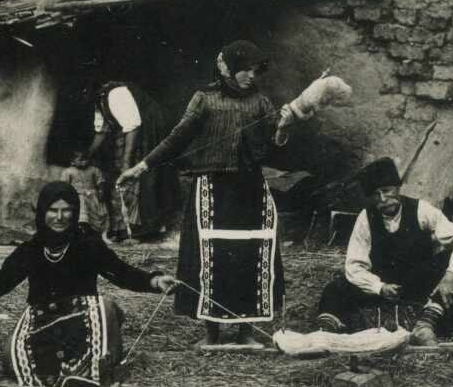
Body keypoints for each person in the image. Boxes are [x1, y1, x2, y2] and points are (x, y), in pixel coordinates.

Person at [118, 40, 297, 348]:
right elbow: (176, 138)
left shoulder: (261, 102)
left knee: (251, 255)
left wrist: (283, 129)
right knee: (210, 258)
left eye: (255, 71)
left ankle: (246, 332)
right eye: (245, 71)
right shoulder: (204, 99)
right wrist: (141, 167)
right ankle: (211, 332)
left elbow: (275, 140)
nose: (251, 77)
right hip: (212, 190)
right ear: (228, 68)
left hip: (251, 189)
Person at [0, 181, 176, 387]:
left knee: (105, 307)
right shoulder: (29, 251)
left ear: (74, 212)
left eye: (66, 211)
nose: (59, 218)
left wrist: (154, 281)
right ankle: (74, 372)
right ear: (42, 212)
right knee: (12, 360)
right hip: (43, 319)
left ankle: (90, 371)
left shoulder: (88, 245)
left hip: (84, 317)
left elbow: (122, 273)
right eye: (53, 210)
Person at [315, 157, 453, 346]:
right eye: (376, 195)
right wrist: (379, 287)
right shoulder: (366, 218)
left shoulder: (421, 210)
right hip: (384, 284)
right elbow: (354, 265)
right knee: (336, 288)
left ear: (397, 188)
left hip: (418, 281)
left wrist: (450, 276)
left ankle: (425, 324)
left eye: (386, 191)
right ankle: (326, 332)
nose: (383, 200)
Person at [87, 81, 178, 241]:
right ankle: (128, 227)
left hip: (152, 126)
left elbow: (133, 126)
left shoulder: (115, 94)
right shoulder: (99, 102)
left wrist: (126, 164)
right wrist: (87, 156)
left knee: (147, 173)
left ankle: (148, 229)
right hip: (138, 129)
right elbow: (101, 131)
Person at [62, 151, 109, 235]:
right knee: (81, 212)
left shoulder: (94, 170)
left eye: (86, 159)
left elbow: (100, 182)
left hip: (93, 196)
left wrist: (101, 191)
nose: (84, 162)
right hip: (77, 196)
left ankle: (99, 234)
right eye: (80, 160)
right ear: (72, 161)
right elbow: (65, 185)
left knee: (98, 214)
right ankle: (82, 232)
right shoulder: (68, 171)